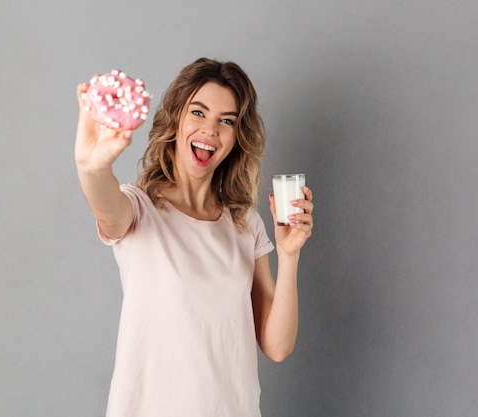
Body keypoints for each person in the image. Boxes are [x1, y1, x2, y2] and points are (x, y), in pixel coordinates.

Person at [74, 57, 314, 417]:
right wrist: (92, 167)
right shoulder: (140, 209)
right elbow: (106, 207)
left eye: (226, 121)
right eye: (198, 113)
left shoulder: (245, 223)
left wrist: (289, 254)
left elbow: (277, 346)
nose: (210, 130)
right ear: (176, 119)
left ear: (236, 138)